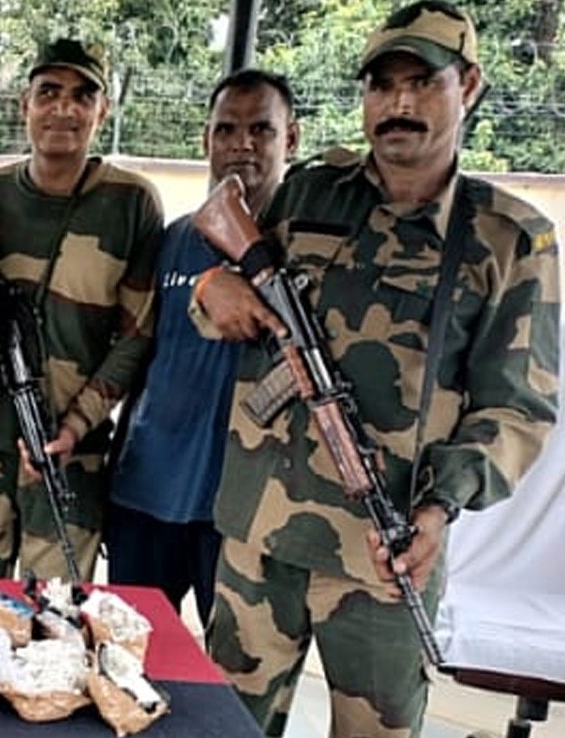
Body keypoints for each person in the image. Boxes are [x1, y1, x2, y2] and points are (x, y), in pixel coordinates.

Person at [194, 3, 560, 736]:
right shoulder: (312, 189)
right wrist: (211, 289)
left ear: (469, 85)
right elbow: (231, 300)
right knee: (220, 727)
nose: (399, 103)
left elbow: (518, 409)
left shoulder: (509, 238)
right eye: (382, 85)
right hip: (258, 534)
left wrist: (440, 506)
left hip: (385, 557)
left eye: (422, 82)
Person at [0, 38, 163, 582]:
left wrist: (76, 425)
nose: (63, 108)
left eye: (82, 96)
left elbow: (137, 334)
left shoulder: (132, 202)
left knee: (58, 610)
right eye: (48, 92)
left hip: (72, 453)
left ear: (102, 111)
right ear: (25, 104)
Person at [107, 69, 299, 624]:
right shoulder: (173, 239)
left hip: (246, 511)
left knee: (236, 667)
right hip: (148, 494)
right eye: (226, 129)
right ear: (205, 139)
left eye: (261, 129)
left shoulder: (303, 247)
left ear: (291, 139)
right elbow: (139, 353)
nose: (242, 144)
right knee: (132, 652)